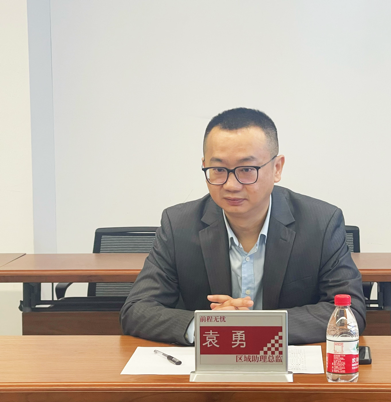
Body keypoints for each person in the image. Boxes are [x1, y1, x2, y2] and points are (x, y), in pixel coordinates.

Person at [120, 107, 366, 345]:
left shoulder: (320, 223)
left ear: (277, 168)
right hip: (211, 364)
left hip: (287, 363)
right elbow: (136, 309)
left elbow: (350, 311)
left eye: (247, 169)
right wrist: (207, 325)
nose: (231, 185)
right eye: (218, 169)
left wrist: (254, 327)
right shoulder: (178, 226)